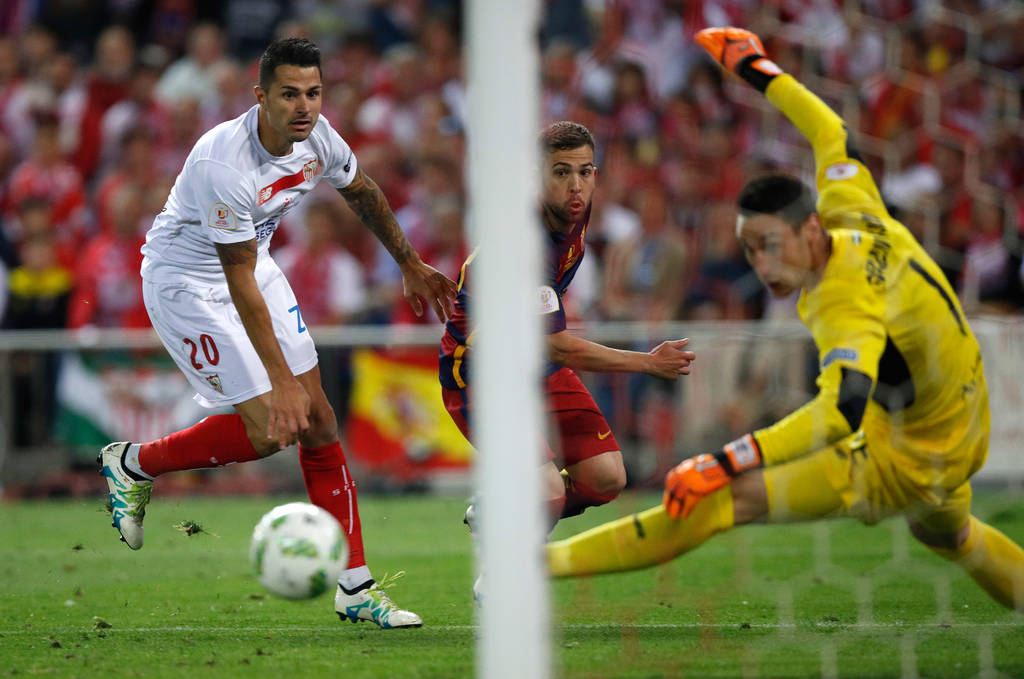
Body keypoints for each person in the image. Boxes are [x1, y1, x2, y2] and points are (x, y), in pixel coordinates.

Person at [545, 28, 1024, 612]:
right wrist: (755, 67)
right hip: (962, 411)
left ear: (809, 230)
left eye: (773, 245)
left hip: (910, 453)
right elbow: (831, 131)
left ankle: (529, 568)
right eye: (751, 249)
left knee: (723, 499)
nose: (764, 265)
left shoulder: (844, 297)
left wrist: (725, 460)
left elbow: (841, 411)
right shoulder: (852, 206)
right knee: (951, 534)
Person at [99, 38, 458, 629]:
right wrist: (282, 381)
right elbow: (236, 280)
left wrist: (409, 262)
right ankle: (136, 464)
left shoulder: (318, 137)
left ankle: (355, 586)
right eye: (289, 94)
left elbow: (362, 190)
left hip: (253, 265)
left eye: (313, 93)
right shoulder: (223, 163)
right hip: (187, 283)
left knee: (319, 423)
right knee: (272, 427)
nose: (304, 106)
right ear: (260, 96)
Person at [438, 121, 696, 584]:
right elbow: (556, 343)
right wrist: (647, 362)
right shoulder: (525, 242)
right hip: (481, 376)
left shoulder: (575, 212)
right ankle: (503, 576)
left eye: (585, 171)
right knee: (547, 489)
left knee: (606, 477)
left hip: (533, 367)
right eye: (561, 172)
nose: (576, 185)